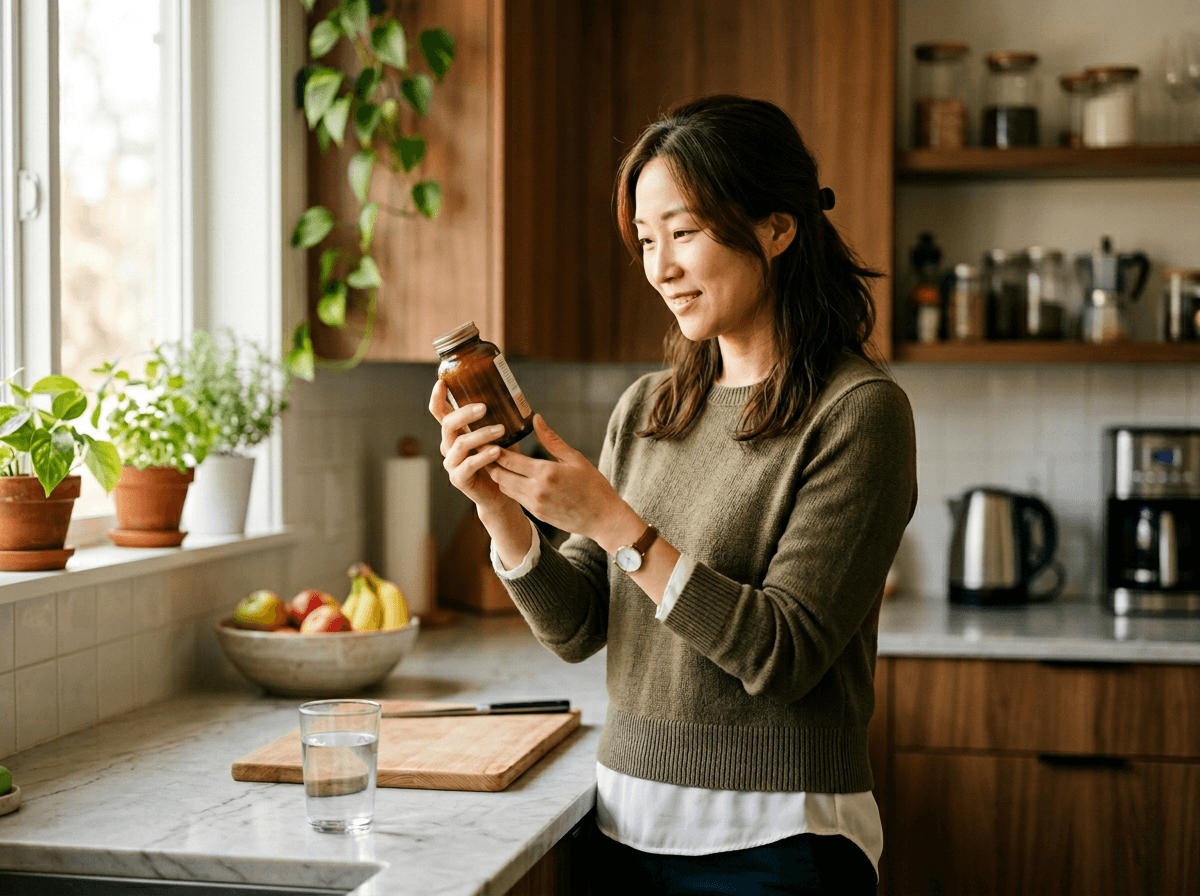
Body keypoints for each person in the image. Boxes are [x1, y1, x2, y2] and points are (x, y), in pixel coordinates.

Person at [430, 95, 917, 895]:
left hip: (780, 843)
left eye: (683, 233)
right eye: (647, 241)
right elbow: (579, 625)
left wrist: (617, 525)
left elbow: (783, 653)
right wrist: (498, 507)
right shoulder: (651, 408)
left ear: (777, 227)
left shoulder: (858, 412)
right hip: (626, 825)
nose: (659, 268)